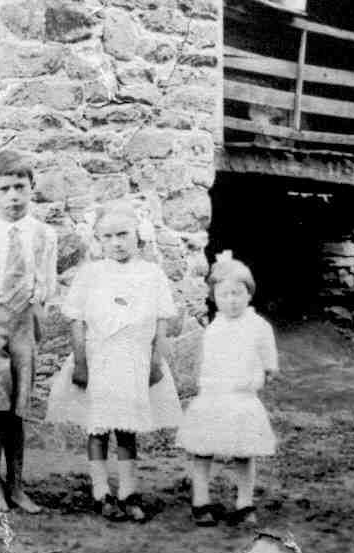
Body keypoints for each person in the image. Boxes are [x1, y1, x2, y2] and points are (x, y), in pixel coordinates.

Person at [45, 203, 182, 522]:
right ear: (99, 240)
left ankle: (129, 491)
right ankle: (101, 491)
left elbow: (162, 319)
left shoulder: (151, 274)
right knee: (99, 427)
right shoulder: (91, 273)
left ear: (138, 235)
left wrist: (156, 360)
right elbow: (76, 319)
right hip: (100, 358)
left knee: (127, 429)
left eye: (123, 234)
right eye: (108, 236)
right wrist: (80, 362)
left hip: (134, 359)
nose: (117, 242)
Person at [0, 149, 58, 514]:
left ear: (32, 187)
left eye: (20, 186)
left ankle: (17, 485)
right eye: (4, 189)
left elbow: (48, 281)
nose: (13, 196)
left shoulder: (44, 235)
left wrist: (34, 308)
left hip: (25, 324)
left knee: (18, 409)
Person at [177, 251, 279, 528]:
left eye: (237, 293)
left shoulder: (259, 326)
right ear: (214, 297)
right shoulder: (214, 327)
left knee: (244, 451)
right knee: (203, 448)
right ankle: (201, 502)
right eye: (224, 295)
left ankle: (244, 504)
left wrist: (262, 373)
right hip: (212, 397)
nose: (231, 300)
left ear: (249, 294)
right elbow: (203, 361)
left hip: (242, 398)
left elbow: (270, 363)